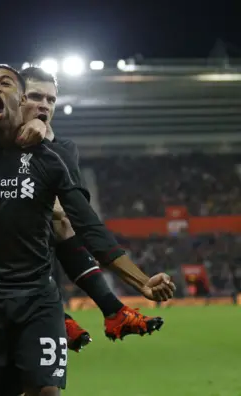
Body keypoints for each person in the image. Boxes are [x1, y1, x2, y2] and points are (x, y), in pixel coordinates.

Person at [0, 64, 175, 396]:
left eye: (5, 83)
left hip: (37, 300)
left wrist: (142, 281)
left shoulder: (50, 159)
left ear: (18, 98)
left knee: (46, 391)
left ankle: (107, 310)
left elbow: (87, 225)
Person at [19, 66, 166, 346]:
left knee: (61, 217)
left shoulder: (62, 149)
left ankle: (88, 310)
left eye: (51, 100)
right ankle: (58, 309)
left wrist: (141, 281)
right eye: (36, 96)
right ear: (17, 98)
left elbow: (81, 216)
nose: (45, 105)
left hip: (33, 254)